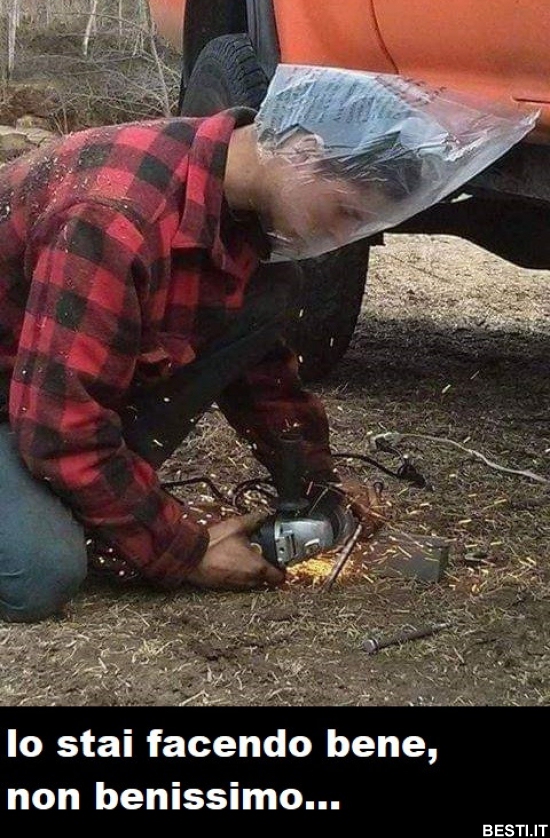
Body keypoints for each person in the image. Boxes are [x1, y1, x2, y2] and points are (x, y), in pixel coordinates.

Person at [0, 64, 530, 622]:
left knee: (272, 292)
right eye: (346, 211)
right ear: (304, 150)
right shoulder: (116, 216)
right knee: (39, 572)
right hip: (31, 402)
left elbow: (261, 372)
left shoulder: (237, 200)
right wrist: (185, 552)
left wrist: (317, 483)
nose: (340, 235)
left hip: (41, 388)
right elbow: (60, 428)